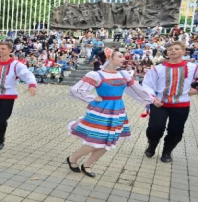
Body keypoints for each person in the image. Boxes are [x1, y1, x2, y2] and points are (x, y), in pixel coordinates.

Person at [67, 48, 158, 177]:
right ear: (110, 58)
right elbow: (76, 90)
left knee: (108, 141)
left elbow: (136, 90)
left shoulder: (124, 74)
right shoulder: (96, 75)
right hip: (101, 110)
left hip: (118, 110)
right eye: (120, 56)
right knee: (96, 141)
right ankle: (72, 158)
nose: (124, 59)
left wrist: (152, 100)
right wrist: (92, 98)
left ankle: (87, 165)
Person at [143, 41, 198, 162]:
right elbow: (147, 84)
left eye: (177, 49)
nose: (173, 51)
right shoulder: (158, 69)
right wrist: (153, 98)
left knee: (176, 130)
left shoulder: (193, 67)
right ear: (167, 53)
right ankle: (152, 145)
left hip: (181, 105)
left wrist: (195, 91)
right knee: (155, 128)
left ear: (183, 51)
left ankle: (167, 151)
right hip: (159, 103)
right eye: (170, 49)